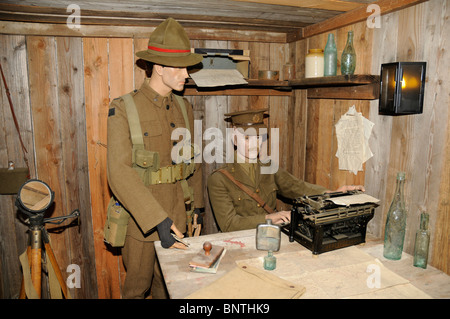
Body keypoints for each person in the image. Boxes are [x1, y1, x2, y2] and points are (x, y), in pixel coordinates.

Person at [107, 18, 204, 299]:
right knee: (137, 290)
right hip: (141, 223)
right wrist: (156, 220)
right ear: (159, 67)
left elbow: (190, 164)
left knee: (171, 289)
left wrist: (196, 207)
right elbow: (118, 172)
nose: (187, 74)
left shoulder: (184, 107)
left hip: (179, 217)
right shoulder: (124, 108)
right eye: (181, 67)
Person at [207, 109, 364, 232]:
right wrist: (270, 217)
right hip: (239, 242)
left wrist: (332, 193)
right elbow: (229, 224)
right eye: (247, 138)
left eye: (258, 137)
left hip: (271, 236)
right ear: (234, 138)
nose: (254, 143)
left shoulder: (268, 168)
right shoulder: (219, 179)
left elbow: (298, 187)